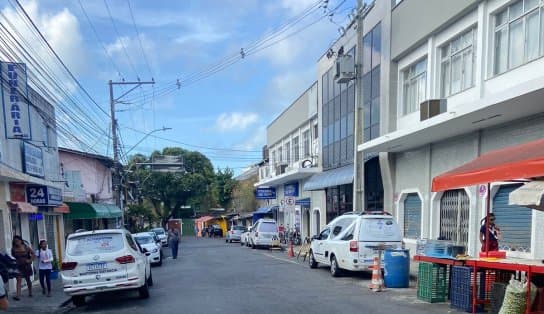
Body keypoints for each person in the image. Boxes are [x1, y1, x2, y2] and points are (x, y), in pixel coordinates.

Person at [11, 236, 34, 300]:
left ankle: (30, 292)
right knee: (18, 280)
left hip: (26, 266)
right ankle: (18, 295)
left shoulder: (26, 247)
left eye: (18, 241)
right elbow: (12, 257)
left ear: (21, 241)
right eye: (15, 241)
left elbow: (33, 254)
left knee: (28, 279)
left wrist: (30, 260)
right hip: (18, 266)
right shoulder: (13, 249)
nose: (16, 242)